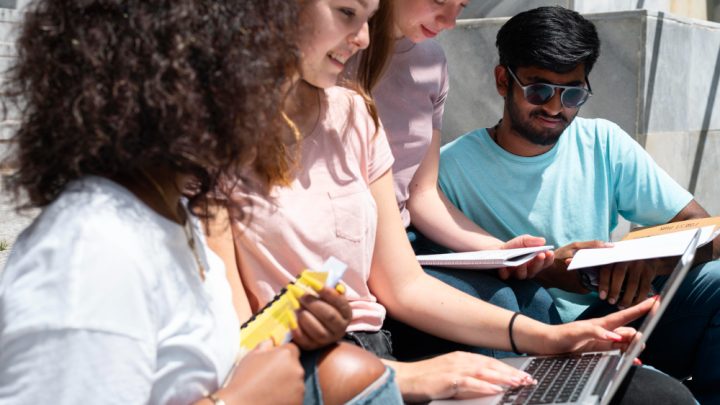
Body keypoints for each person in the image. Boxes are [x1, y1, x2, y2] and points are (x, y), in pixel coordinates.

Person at [211, 1, 695, 403]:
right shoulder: (207, 137)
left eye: (570, 94)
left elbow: (403, 283)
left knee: (658, 394)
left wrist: (550, 339)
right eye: (346, 13)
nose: (361, 39)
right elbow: (240, 347)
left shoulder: (357, 112)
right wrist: (414, 376)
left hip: (372, 344)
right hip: (309, 368)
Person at [0, 1, 399, 404]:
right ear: (180, 78)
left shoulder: (167, 215)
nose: (283, 93)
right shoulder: (90, 251)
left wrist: (293, 330)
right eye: (264, 64)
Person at [438, 6, 720, 403]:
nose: (555, 108)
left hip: (618, 313)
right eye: (538, 91)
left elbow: (705, 228)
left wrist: (642, 263)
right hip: (530, 333)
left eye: (573, 94)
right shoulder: (450, 169)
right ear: (504, 81)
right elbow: (444, 282)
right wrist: (549, 270)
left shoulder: (603, 142)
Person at [348, 0, 562, 361]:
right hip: (357, 250)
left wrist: (499, 250)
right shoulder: (336, 59)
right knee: (498, 303)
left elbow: (422, 193)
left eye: (461, 6)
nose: (449, 21)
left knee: (533, 298)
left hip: (407, 242)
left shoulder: (432, 61)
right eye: (438, 1)